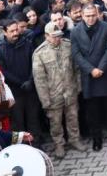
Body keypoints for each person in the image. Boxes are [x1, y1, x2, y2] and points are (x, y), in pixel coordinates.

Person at [32, 23, 86, 159]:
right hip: (53, 94)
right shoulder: (40, 53)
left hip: (70, 90)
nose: (58, 39)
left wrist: (78, 86)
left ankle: (74, 139)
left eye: (59, 36)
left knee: (73, 117)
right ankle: (59, 144)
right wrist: (45, 100)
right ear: (47, 36)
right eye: (54, 37)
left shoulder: (68, 45)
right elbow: (39, 80)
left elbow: (76, 68)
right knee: (55, 122)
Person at [70, 3, 107, 151]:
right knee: (92, 111)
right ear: (82, 16)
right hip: (89, 76)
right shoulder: (75, 32)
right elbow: (76, 55)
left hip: (105, 73)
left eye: (93, 15)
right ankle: (96, 138)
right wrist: (91, 70)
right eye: (87, 16)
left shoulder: (106, 27)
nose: (91, 18)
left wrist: (101, 68)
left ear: (97, 14)